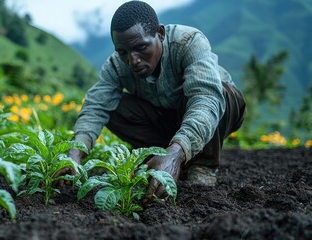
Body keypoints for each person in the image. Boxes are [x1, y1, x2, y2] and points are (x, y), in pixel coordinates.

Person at [58, 0, 246, 203]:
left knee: (215, 95)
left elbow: (206, 99)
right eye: (123, 52)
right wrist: (75, 152)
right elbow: (95, 105)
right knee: (113, 107)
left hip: (217, 115)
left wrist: (176, 151)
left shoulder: (189, 43)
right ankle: (160, 157)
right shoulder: (116, 65)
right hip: (166, 121)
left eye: (141, 47)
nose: (133, 60)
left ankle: (201, 165)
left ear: (160, 34)